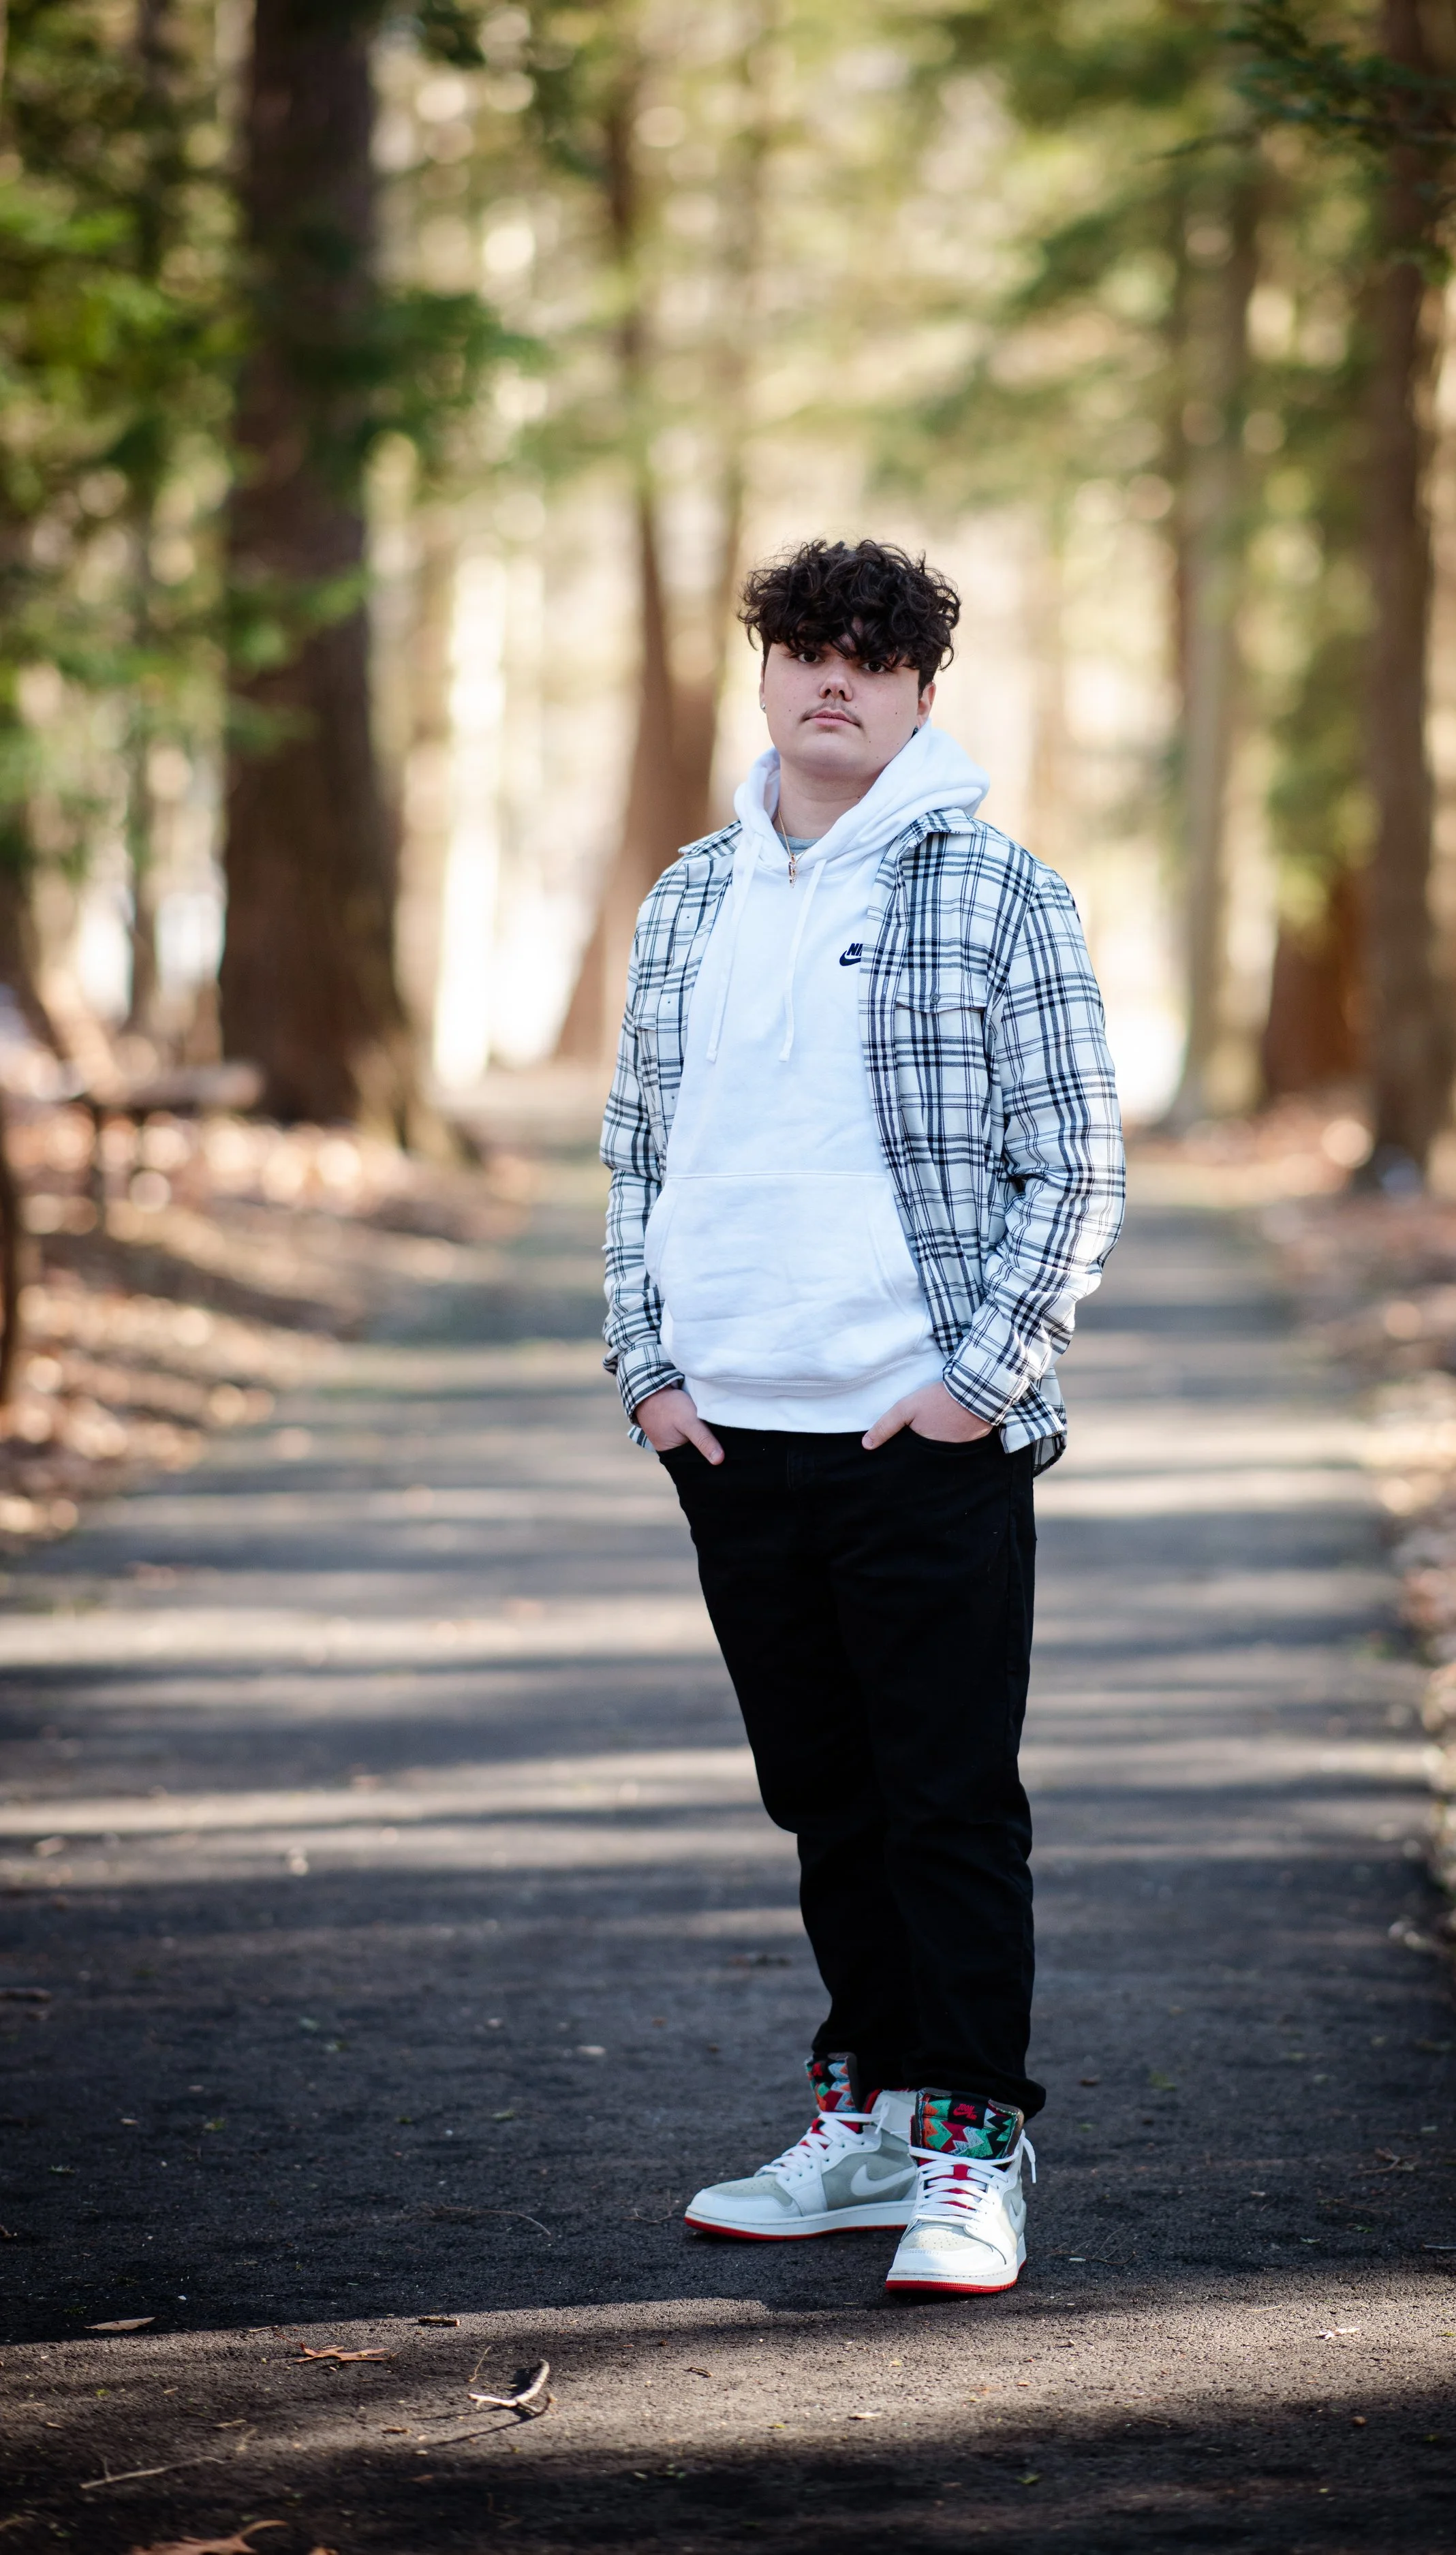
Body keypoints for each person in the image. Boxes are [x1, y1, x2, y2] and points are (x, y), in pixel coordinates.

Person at [600, 536, 1124, 2295]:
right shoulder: (688, 897)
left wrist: (977, 1384)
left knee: (945, 1796)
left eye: (871, 659)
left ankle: (975, 2139)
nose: (834, 679)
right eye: (805, 651)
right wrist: (648, 1373)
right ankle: (871, 2119)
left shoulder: (995, 888)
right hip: (733, 1437)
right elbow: (637, 1154)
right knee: (824, 1795)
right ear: (764, 675)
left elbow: (1076, 1161)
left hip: (919, 1436)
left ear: (916, 695)